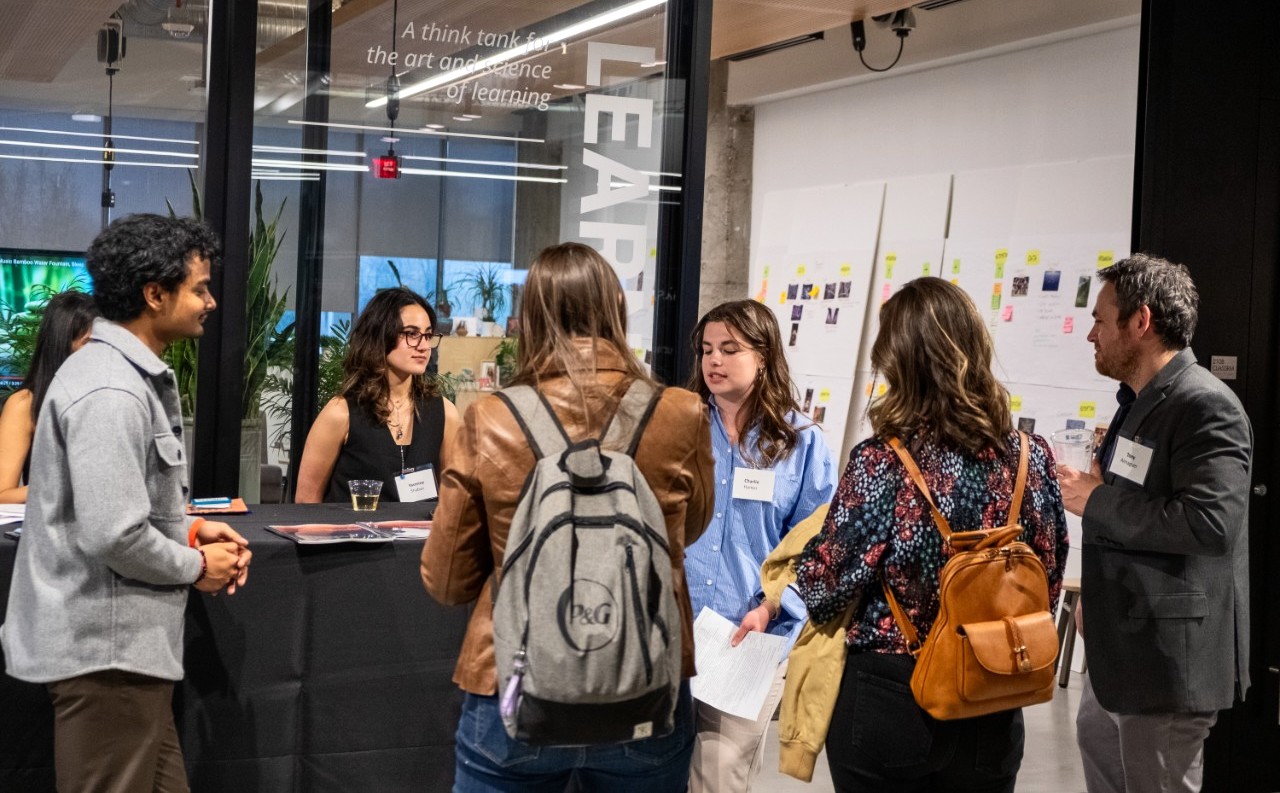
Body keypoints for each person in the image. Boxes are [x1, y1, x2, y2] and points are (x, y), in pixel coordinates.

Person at [421, 241, 713, 792]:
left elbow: (447, 580)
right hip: (647, 681)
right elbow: (686, 532)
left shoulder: (489, 417)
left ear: (531, 315)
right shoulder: (681, 411)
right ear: (615, 311)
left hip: (513, 682)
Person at [0, 213, 252, 792]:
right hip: (106, 657)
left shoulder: (119, 376)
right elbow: (114, 534)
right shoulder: (111, 388)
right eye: (200, 288)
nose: (210, 302)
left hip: (122, 656)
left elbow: (118, 506)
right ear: (154, 294)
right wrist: (196, 566)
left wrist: (187, 530)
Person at [795, 277, 1069, 792]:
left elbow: (825, 588)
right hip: (994, 693)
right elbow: (1048, 575)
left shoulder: (882, 462)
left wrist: (803, 556)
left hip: (894, 697)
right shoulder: (1032, 457)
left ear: (898, 361)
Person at [1058, 254, 1251, 793]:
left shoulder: (1206, 405)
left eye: (1100, 319)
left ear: (1140, 322)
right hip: (1121, 644)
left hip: (1168, 663)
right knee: (1098, 752)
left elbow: (1210, 524)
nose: (1090, 334)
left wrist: (1097, 500)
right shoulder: (1137, 404)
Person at [684, 299, 837, 793]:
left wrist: (772, 606)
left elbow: (819, 547)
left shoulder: (802, 442)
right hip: (672, 632)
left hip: (748, 638)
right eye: (707, 349)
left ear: (765, 355)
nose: (715, 360)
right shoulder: (679, 425)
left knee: (719, 777)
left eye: (730, 349)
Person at [295, 286, 460, 505]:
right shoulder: (340, 412)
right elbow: (306, 502)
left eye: (428, 335)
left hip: (420, 540)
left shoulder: (445, 412)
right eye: (411, 334)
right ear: (381, 336)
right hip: (352, 537)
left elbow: (454, 501)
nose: (423, 346)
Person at [0, 290, 98, 503]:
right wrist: (66, 487)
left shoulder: (107, 398)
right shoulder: (25, 404)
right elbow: (2, 494)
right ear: (61, 342)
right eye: (89, 343)